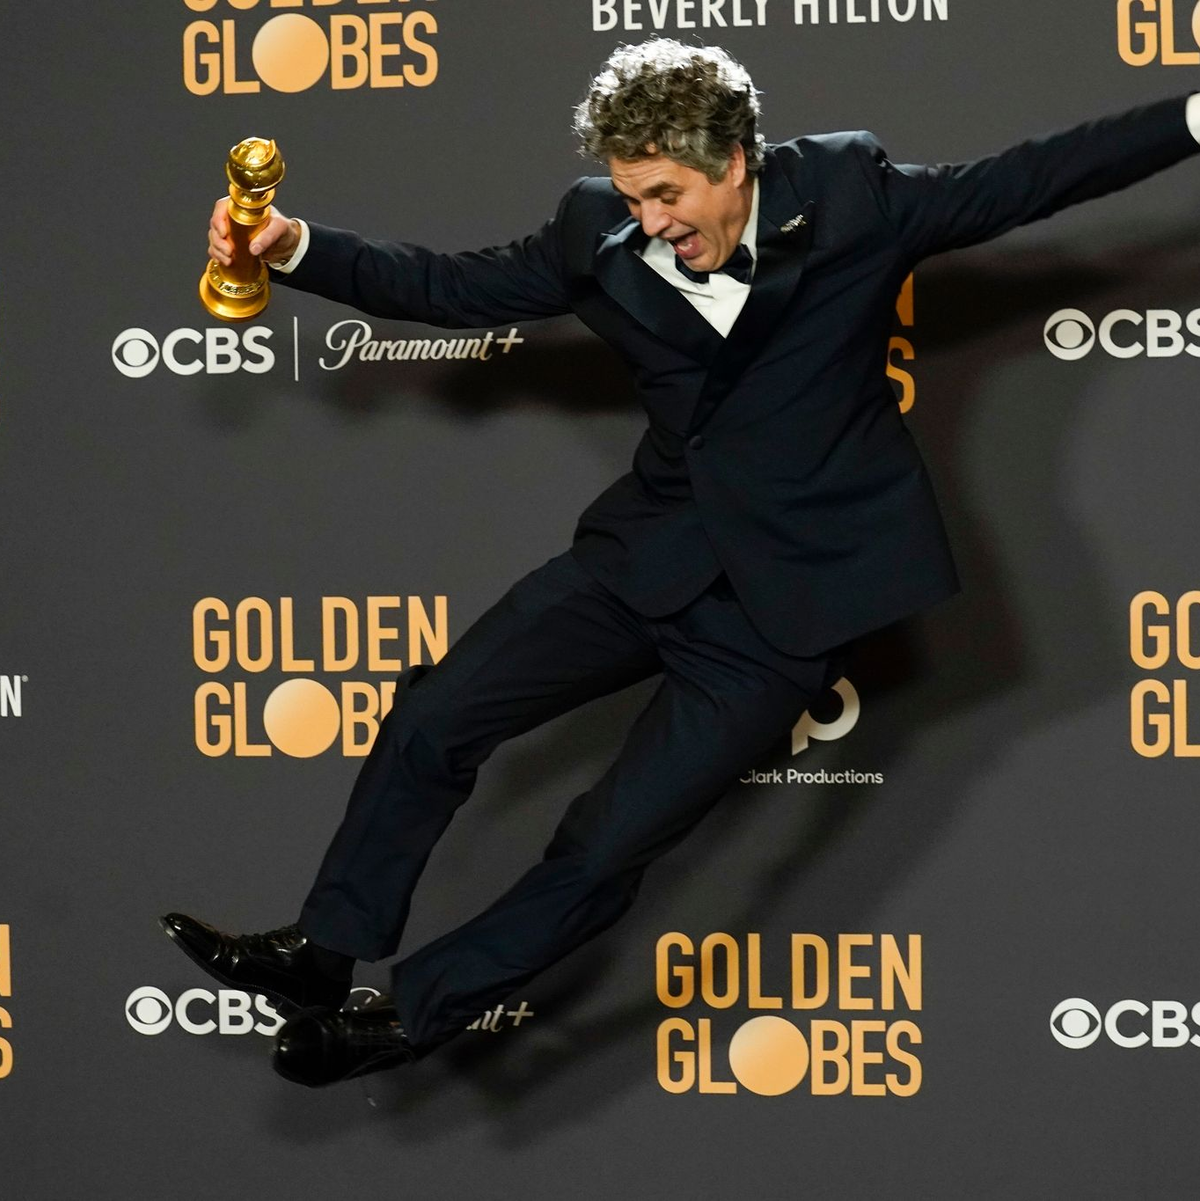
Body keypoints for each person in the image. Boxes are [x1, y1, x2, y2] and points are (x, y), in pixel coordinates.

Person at [163, 39, 1200, 1088]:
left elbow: (1040, 175)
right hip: (645, 555)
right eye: (630, 195)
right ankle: (322, 950)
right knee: (434, 714)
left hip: (781, 612)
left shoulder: (853, 196)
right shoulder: (594, 228)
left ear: (736, 161)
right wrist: (294, 247)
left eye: (666, 194)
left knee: (604, 844)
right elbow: (450, 286)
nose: (648, 220)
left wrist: (1193, 120)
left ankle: (409, 1014)